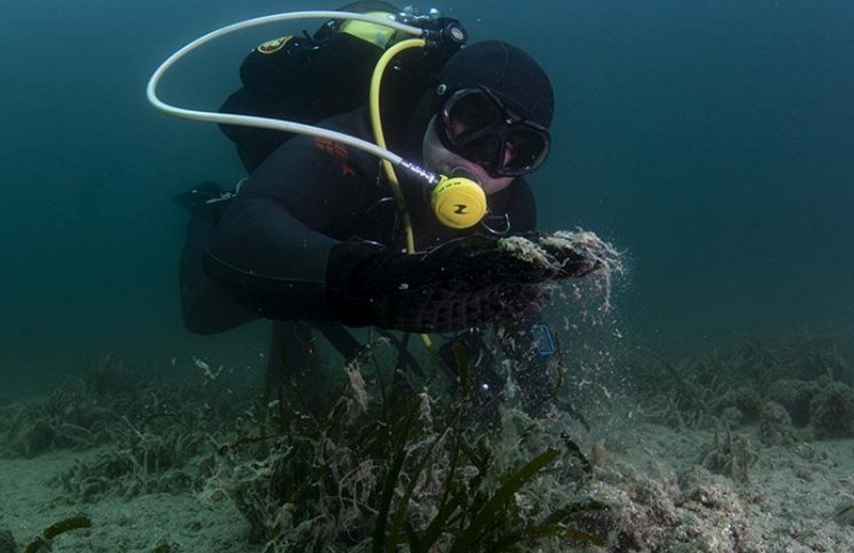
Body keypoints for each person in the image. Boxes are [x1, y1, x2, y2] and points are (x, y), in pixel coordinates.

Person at [178, 7, 598, 416]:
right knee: (204, 313)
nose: (485, 158)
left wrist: (541, 395)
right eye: (472, 117)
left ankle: (302, 301)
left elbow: (517, 310)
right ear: (438, 103)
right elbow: (242, 237)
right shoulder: (351, 144)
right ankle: (208, 204)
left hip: (351, 268)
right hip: (313, 235)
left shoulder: (511, 206)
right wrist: (375, 281)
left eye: (518, 147)